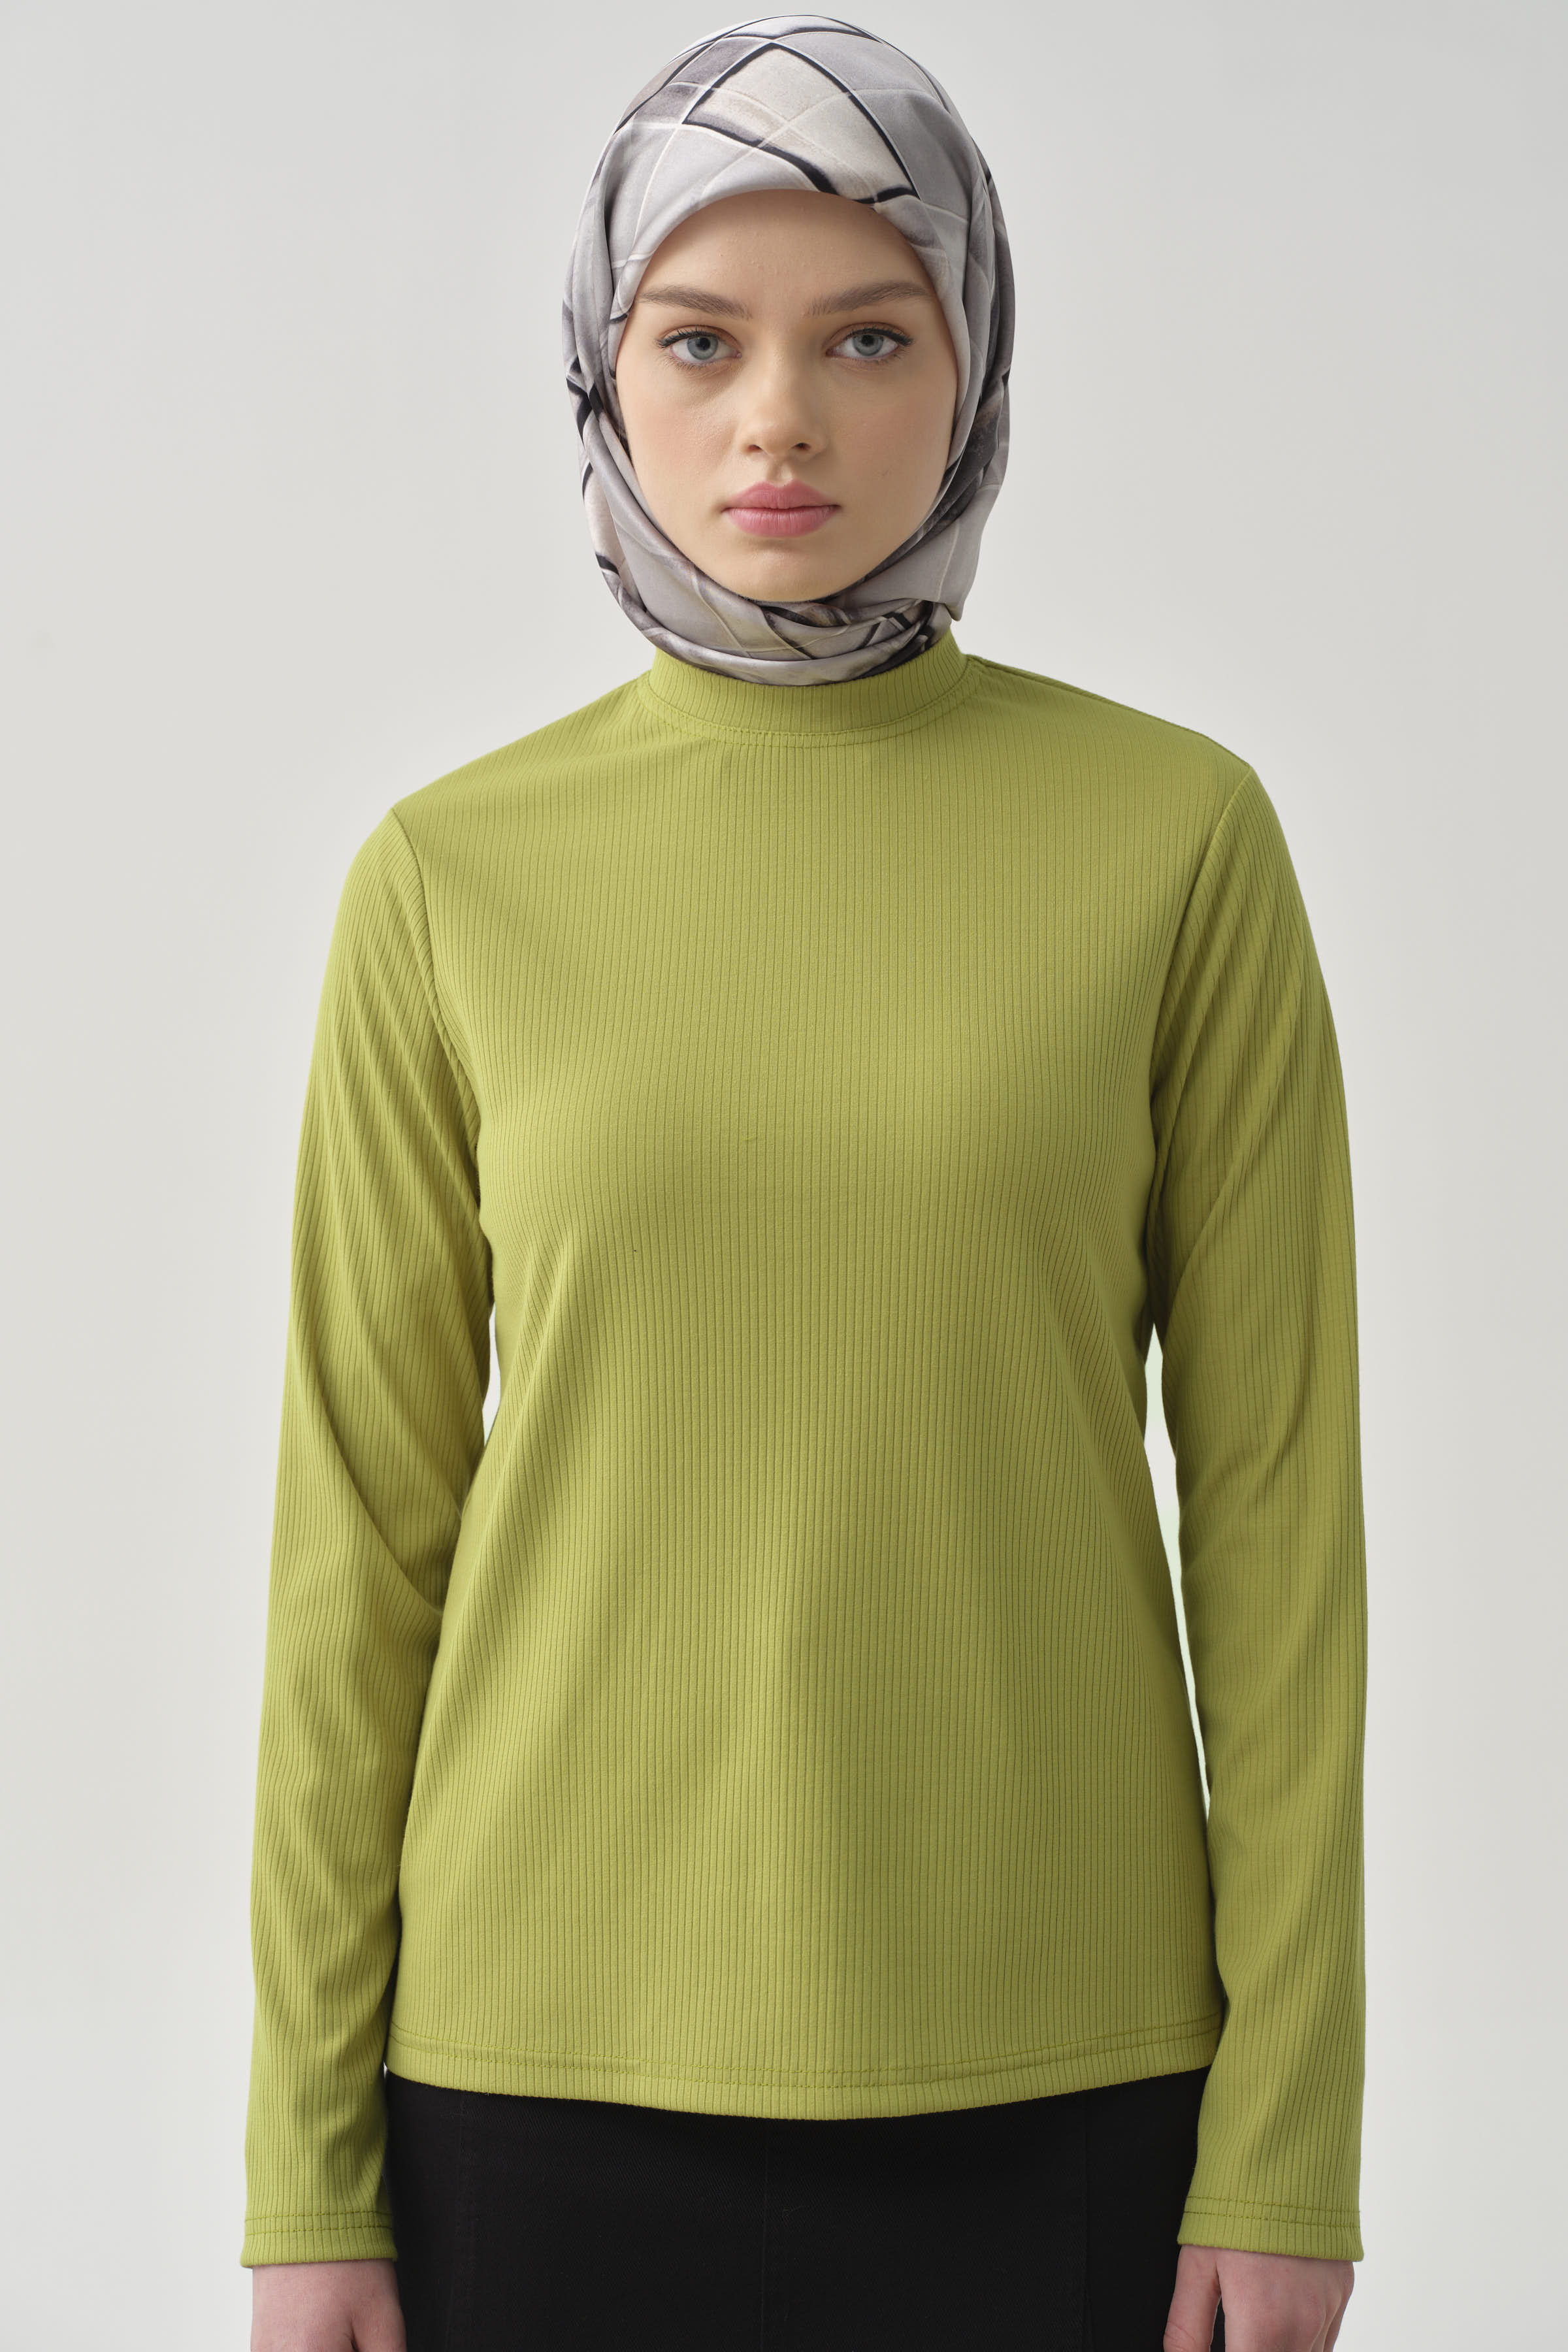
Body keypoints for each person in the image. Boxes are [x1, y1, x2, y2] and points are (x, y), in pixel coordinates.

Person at [242, 16, 1366, 2351]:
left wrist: (1290, 2137)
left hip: (1067, 2084)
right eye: (700, 340)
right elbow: (357, 1552)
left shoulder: (1177, 841)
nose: (781, 419)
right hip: (528, 2093)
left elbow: (1277, 1524)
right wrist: (305, 2175)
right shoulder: (448, 879)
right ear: (603, 367)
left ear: (973, 367)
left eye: (868, 336)